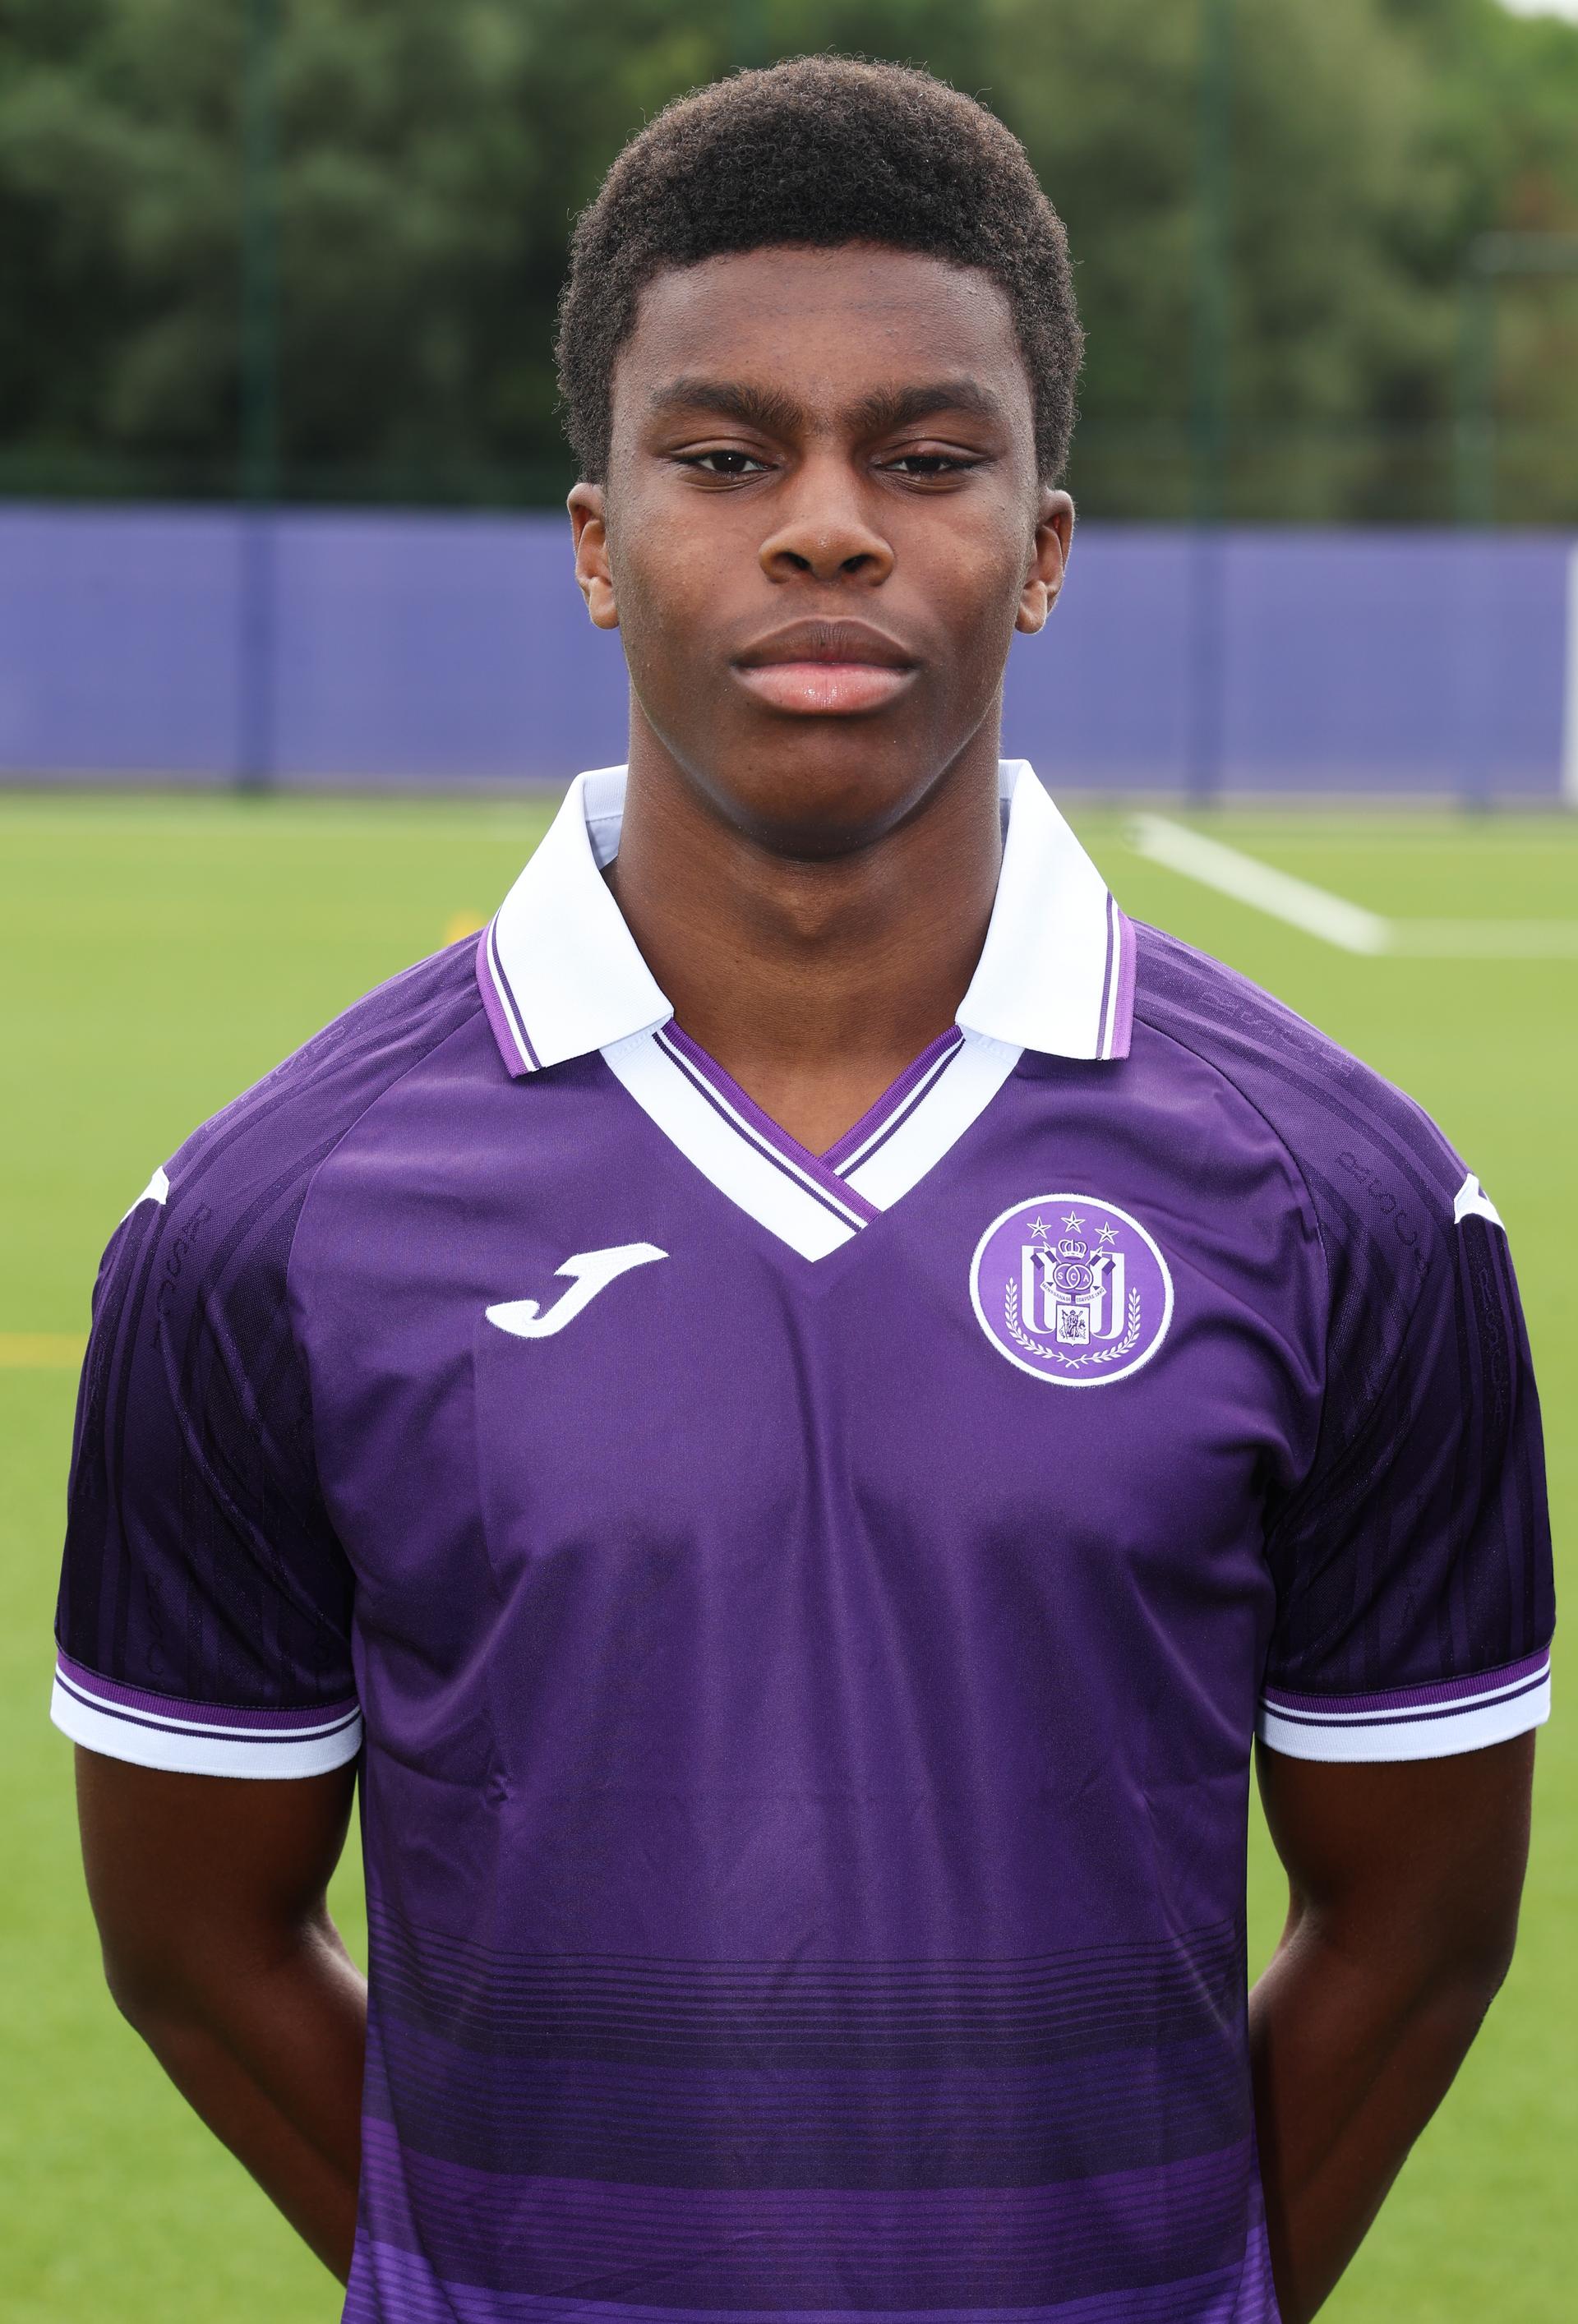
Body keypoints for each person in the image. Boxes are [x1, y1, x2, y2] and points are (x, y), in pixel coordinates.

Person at [51, 57, 1553, 2324]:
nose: (828, 528)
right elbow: (193, 1938)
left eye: (927, 460)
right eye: (729, 456)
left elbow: (1421, 1926)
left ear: (1044, 551)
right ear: (596, 544)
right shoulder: (264, 1227)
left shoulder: (1352, 1207)